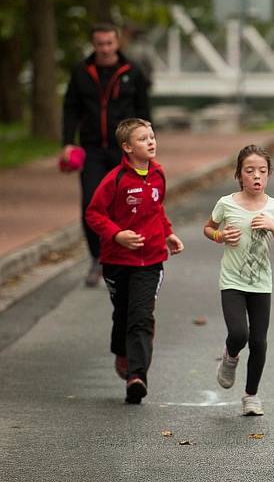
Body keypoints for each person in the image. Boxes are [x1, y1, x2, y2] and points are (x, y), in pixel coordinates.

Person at [86, 118, 184, 405]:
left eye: (152, 136)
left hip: (151, 259)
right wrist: (117, 235)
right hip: (117, 260)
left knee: (141, 316)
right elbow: (94, 214)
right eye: (143, 139)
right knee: (123, 314)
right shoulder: (114, 180)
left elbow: (157, 209)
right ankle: (122, 352)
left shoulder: (159, 175)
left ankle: (136, 377)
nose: (151, 142)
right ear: (127, 147)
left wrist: (168, 233)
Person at [203, 145, 274, 416]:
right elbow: (208, 228)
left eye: (262, 171)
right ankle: (230, 356)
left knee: (259, 341)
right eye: (250, 170)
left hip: (261, 283)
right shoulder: (226, 204)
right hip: (232, 281)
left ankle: (251, 396)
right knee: (239, 334)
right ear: (239, 174)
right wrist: (219, 237)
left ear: (268, 175)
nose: (256, 176)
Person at [60, 22, 151, 287]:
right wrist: (67, 142)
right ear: (94, 44)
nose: (105, 49)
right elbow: (70, 108)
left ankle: (126, 257)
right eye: (100, 44)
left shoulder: (132, 71)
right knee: (91, 204)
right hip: (91, 149)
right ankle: (96, 258)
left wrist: (145, 146)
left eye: (109, 43)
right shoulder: (81, 72)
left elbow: (144, 112)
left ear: (117, 42)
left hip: (124, 149)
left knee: (128, 203)